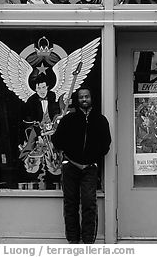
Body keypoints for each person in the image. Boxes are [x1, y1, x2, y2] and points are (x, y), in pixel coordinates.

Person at [52, 87, 112, 244]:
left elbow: (106, 145)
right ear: (77, 100)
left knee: (88, 204)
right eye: (81, 97)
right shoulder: (68, 119)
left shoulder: (100, 120)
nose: (84, 99)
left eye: (87, 96)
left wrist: (92, 158)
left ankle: (88, 241)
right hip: (70, 166)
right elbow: (57, 141)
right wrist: (70, 153)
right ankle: (73, 240)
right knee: (70, 204)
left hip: (89, 168)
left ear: (91, 98)